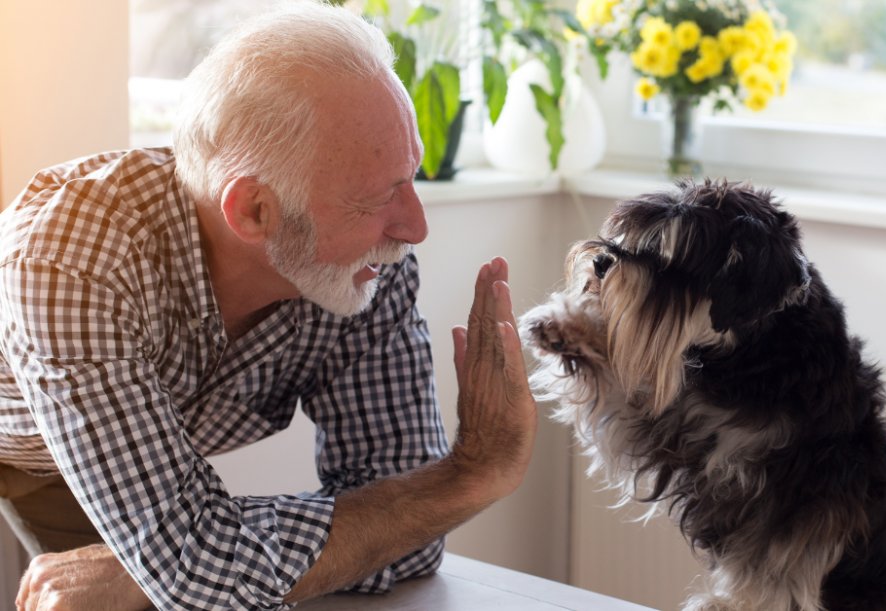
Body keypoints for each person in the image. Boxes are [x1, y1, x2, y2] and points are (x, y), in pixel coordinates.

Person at [0, 3, 537, 609]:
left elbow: (410, 538)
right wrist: (473, 472)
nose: (414, 229)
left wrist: (168, 567)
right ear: (255, 212)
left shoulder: (366, 265)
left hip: (122, 441)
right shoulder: (73, 260)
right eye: (378, 197)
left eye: (410, 177)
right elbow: (196, 570)